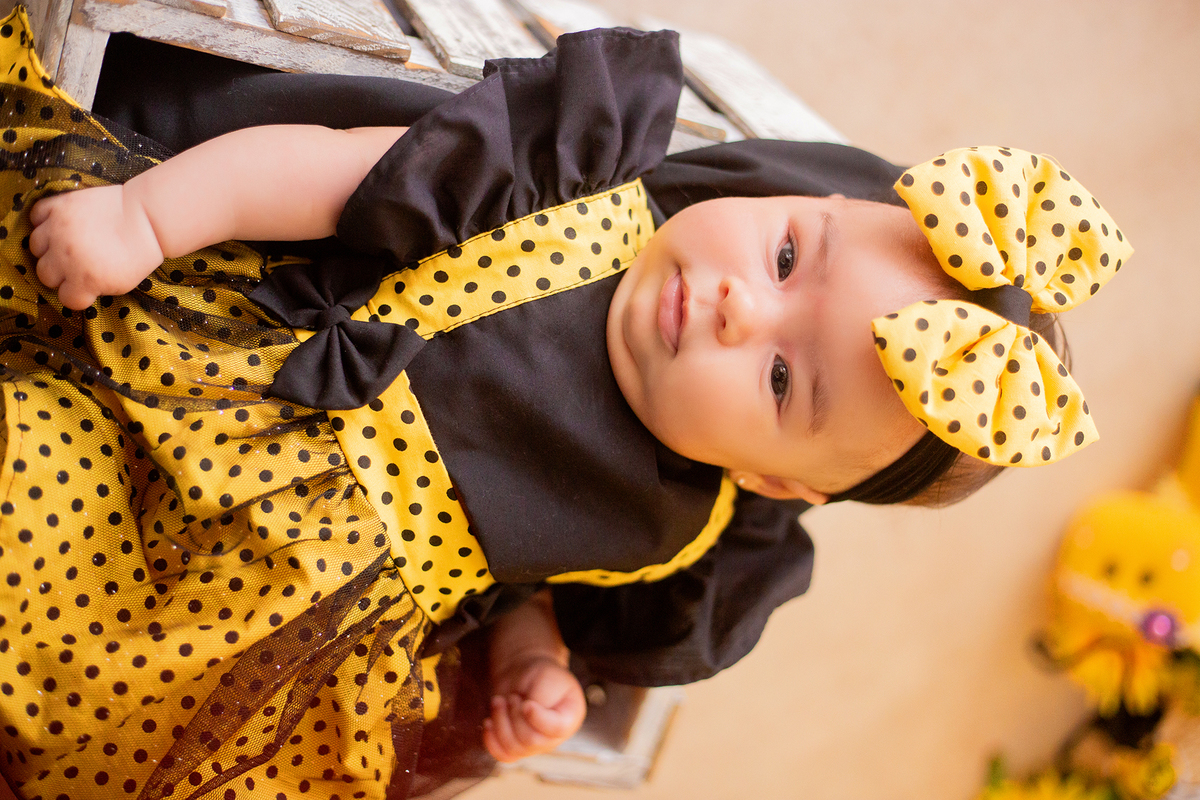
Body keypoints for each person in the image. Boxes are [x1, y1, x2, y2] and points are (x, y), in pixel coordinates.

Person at [0, 7, 1130, 799]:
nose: (742, 307)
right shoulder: (570, 198)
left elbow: (514, 577)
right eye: (789, 253)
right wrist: (148, 221)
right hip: (209, 412)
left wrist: (533, 663)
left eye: (786, 381)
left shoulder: (678, 524)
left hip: (269, 626)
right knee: (32, 480)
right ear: (787, 187)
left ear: (776, 482)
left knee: (121, 714)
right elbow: (335, 173)